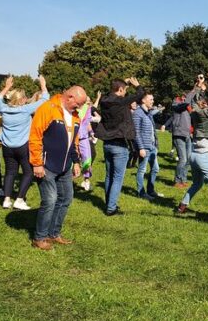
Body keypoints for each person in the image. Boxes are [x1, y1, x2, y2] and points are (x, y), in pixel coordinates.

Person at [29, 85, 87, 250]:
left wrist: (76, 162)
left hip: (65, 167)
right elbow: (35, 136)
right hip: (46, 166)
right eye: (79, 103)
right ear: (69, 97)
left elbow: (73, 142)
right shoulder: (48, 108)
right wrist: (37, 163)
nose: (80, 108)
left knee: (66, 199)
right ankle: (39, 237)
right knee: (50, 200)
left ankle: (54, 234)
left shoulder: (75, 116)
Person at [175, 71, 208, 221]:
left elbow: (192, 101)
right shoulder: (206, 114)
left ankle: (182, 206)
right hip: (204, 156)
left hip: (194, 155)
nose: (207, 103)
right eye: (205, 102)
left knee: (197, 184)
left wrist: (198, 87)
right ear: (203, 105)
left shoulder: (194, 112)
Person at [0, 75, 50, 210]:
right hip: (23, 146)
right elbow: (45, 99)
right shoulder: (26, 109)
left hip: (7, 147)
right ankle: (19, 200)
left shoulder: (3, 109)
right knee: (28, 172)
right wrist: (43, 85)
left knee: (10, 172)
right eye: (24, 97)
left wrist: (7, 86)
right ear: (21, 100)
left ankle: (6, 200)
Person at [95, 77, 144, 216]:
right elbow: (140, 94)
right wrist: (137, 85)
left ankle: (108, 202)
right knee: (117, 177)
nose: (125, 93)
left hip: (107, 143)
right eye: (124, 90)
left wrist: (124, 83)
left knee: (109, 175)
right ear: (120, 90)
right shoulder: (121, 102)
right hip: (120, 144)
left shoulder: (104, 101)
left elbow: (112, 91)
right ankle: (111, 208)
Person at [133, 91, 163, 201]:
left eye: (153, 99)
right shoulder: (138, 113)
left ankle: (151, 190)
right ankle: (141, 192)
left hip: (152, 147)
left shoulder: (148, 113)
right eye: (151, 99)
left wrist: (155, 145)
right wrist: (140, 148)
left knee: (155, 169)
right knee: (142, 170)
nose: (153, 101)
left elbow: (152, 131)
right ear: (143, 100)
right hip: (144, 147)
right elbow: (136, 132)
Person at [171, 89, 196, 188]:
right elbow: (184, 104)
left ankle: (183, 179)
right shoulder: (176, 104)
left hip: (188, 135)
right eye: (184, 96)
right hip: (179, 134)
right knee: (183, 159)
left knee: (189, 159)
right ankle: (177, 180)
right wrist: (194, 90)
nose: (185, 98)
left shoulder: (189, 108)